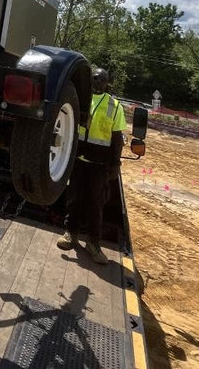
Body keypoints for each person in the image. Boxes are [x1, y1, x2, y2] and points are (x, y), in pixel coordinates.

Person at [56, 67, 126, 264]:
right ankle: (70, 234)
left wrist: (115, 164)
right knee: (73, 199)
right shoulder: (78, 98)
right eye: (94, 79)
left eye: (101, 80)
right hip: (78, 160)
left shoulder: (114, 106)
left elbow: (116, 138)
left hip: (99, 165)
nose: (97, 83)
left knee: (96, 204)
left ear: (107, 83)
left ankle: (94, 244)